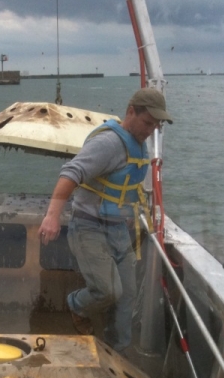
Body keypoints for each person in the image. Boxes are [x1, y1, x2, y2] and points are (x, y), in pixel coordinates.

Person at [38, 87, 173, 352]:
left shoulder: (137, 142)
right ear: (130, 111)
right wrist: (52, 216)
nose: (150, 130)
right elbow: (70, 173)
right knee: (108, 291)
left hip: (119, 229)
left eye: (155, 126)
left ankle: (118, 351)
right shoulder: (109, 143)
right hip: (89, 227)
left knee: (128, 296)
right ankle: (76, 304)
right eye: (147, 123)